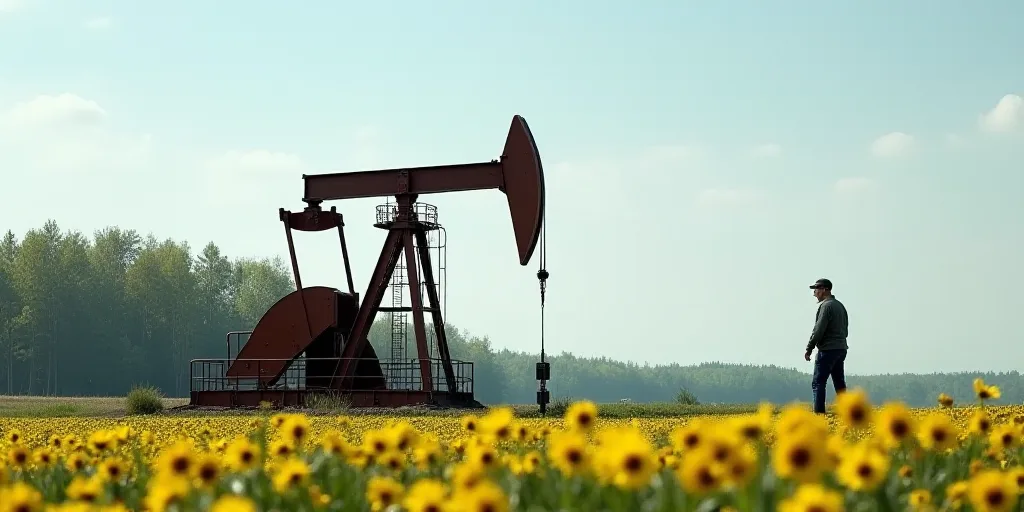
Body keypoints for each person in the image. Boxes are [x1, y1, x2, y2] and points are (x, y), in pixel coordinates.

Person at [804, 278, 849, 414]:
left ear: (825, 290)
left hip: (828, 350)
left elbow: (818, 330)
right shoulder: (840, 306)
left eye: (816, 289)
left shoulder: (826, 306)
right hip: (841, 349)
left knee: (818, 382)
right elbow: (845, 329)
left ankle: (819, 415)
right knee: (839, 384)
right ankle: (848, 413)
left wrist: (809, 348)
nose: (814, 293)